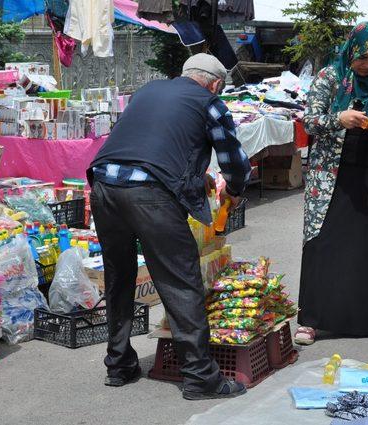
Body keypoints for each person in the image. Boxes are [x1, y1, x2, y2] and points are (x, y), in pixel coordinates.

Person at [87, 54, 252, 399]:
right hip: (150, 193)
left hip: (104, 185)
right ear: (215, 83)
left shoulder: (147, 91)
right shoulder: (211, 104)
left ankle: (118, 365)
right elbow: (232, 160)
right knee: (179, 279)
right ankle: (200, 377)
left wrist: (193, 176)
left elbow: (152, 141)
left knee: (119, 276)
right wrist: (235, 190)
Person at [294, 22, 368, 346]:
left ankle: (361, 319)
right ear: (352, 51)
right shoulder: (331, 77)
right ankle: (311, 320)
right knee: (323, 242)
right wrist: (339, 119)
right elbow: (311, 121)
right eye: (363, 58)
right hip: (330, 175)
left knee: (363, 246)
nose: (367, 65)